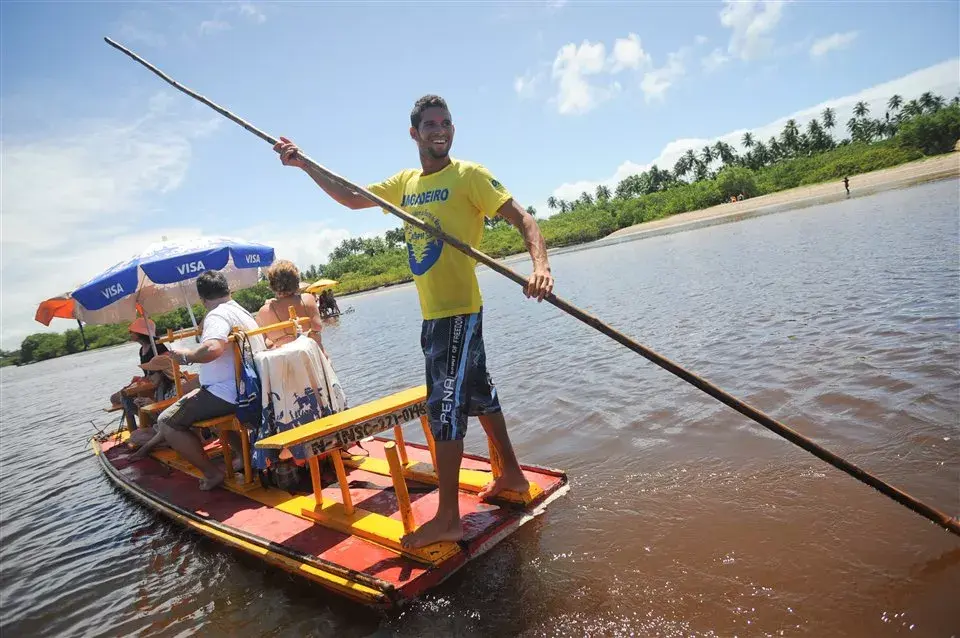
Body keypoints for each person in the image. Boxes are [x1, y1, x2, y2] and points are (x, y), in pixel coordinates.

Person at [273, 94, 554, 548]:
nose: (440, 130)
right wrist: (304, 163)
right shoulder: (404, 183)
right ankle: (514, 477)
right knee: (480, 394)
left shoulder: (471, 176)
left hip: (457, 311)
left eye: (446, 123)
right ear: (414, 133)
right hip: (435, 315)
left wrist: (539, 266)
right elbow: (349, 196)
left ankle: (447, 518)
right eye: (430, 125)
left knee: (444, 409)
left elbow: (524, 219)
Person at [130, 270, 266, 491]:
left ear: (202, 299)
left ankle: (212, 474)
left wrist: (185, 356)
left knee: (166, 421)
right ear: (228, 290)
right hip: (249, 388)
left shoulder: (217, 315)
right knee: (201, 402)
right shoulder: (243, 312)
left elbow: (213, 348)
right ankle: (245, 458)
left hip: (229, 392)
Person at [256, 259, 330, 360]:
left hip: (288, 367)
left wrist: (280, 339)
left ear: (272, 284)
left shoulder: (264, 311)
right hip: (318, 360)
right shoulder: (308, 299)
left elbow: (260, 345)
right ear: (296, 280)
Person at [110, 318, 170, 430]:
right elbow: (148, 375)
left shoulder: (157, 347)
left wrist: (142, 383)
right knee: (115, 398)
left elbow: (160, 375)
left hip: (161, 384)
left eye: (131, 331)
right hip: (149, 383)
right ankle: (147, 423)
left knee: (127, 398)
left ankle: (148, 424)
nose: (130, 334)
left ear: (140, 333)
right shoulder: (142, 349)